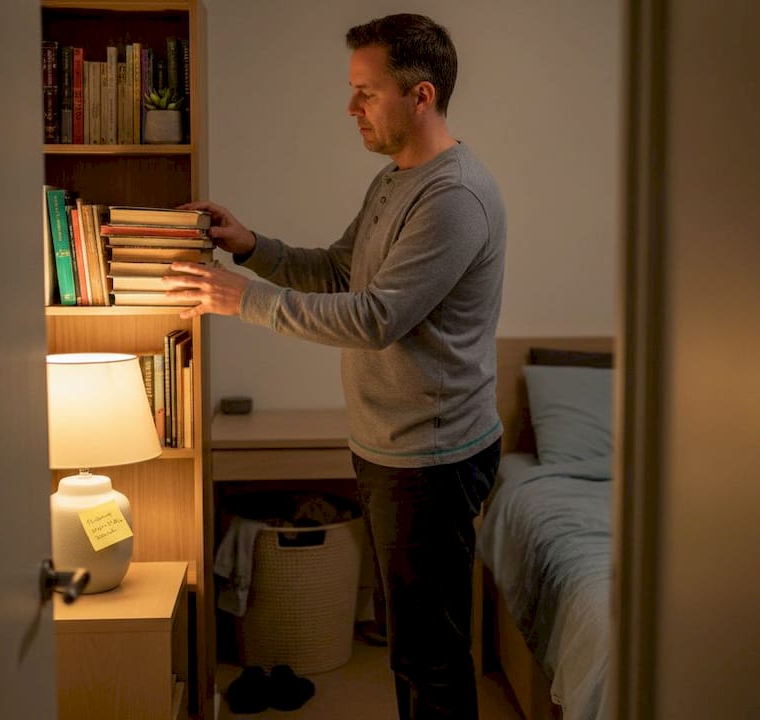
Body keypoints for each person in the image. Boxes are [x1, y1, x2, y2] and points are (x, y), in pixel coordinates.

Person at [164, 13, 505, 720]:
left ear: (421, 95)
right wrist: (251, 246)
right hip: (389, 445)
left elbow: (374, 317)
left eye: (365, 92)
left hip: (432, 459)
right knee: (408, 647)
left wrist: (243, 300)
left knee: (429, 658)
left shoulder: (455, 197)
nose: (350, 107)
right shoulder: (395, 182)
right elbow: (340, 270)